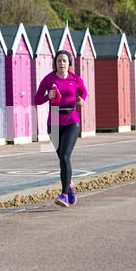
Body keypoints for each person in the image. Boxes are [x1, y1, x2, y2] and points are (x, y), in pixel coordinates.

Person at [34, 50, 87, 207]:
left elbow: (83, 92)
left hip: (71, 119)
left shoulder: (75, 79)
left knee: (64, 156)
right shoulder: (49, 79)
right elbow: (37, 99)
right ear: (55, 63)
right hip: (55, 120)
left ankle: (63, 194)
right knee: (62, 160)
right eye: (59, 61)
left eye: (64, 61)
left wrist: (81, 100)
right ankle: (69, 188)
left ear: (69, 63)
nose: (61, 64)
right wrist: (47, 97)